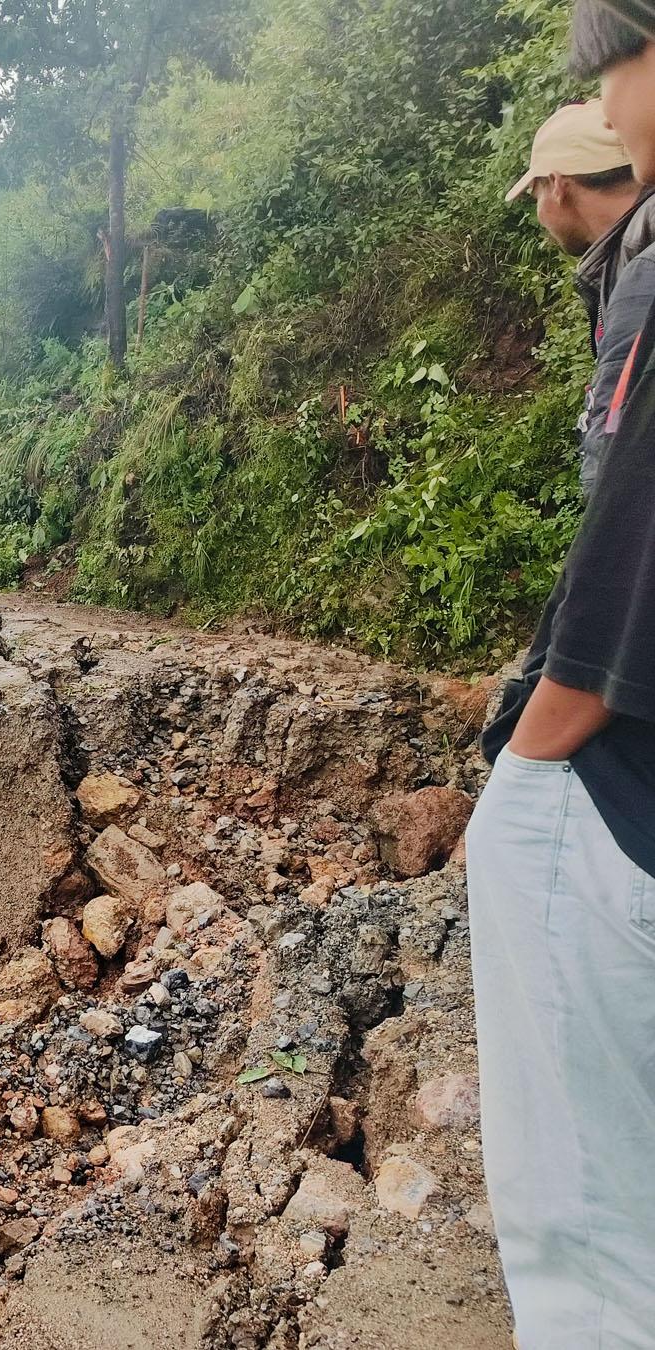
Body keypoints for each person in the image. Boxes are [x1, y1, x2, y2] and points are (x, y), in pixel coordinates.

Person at [466, 5, 655, 1345]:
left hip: (623, 732)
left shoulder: (644, 270)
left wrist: (542, 729)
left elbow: (632, 527)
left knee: (580, 1185)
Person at [512, 98, 655, 494]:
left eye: (535, 193)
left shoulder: (644, 271)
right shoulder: (626, 256)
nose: (538, 212)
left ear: (558, 185)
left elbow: (616, 455)